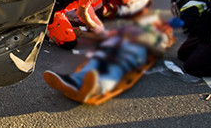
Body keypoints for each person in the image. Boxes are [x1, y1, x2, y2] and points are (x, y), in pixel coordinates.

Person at [44, 16, 172, 103]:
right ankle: (73, 82)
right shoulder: (129, 29)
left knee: (113, 70)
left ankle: (95, 88)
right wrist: (84, 34)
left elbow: (159, 52)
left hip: (129, 55)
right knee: (93, 65)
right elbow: (105, 37)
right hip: (108, 50)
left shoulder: (159, 36)